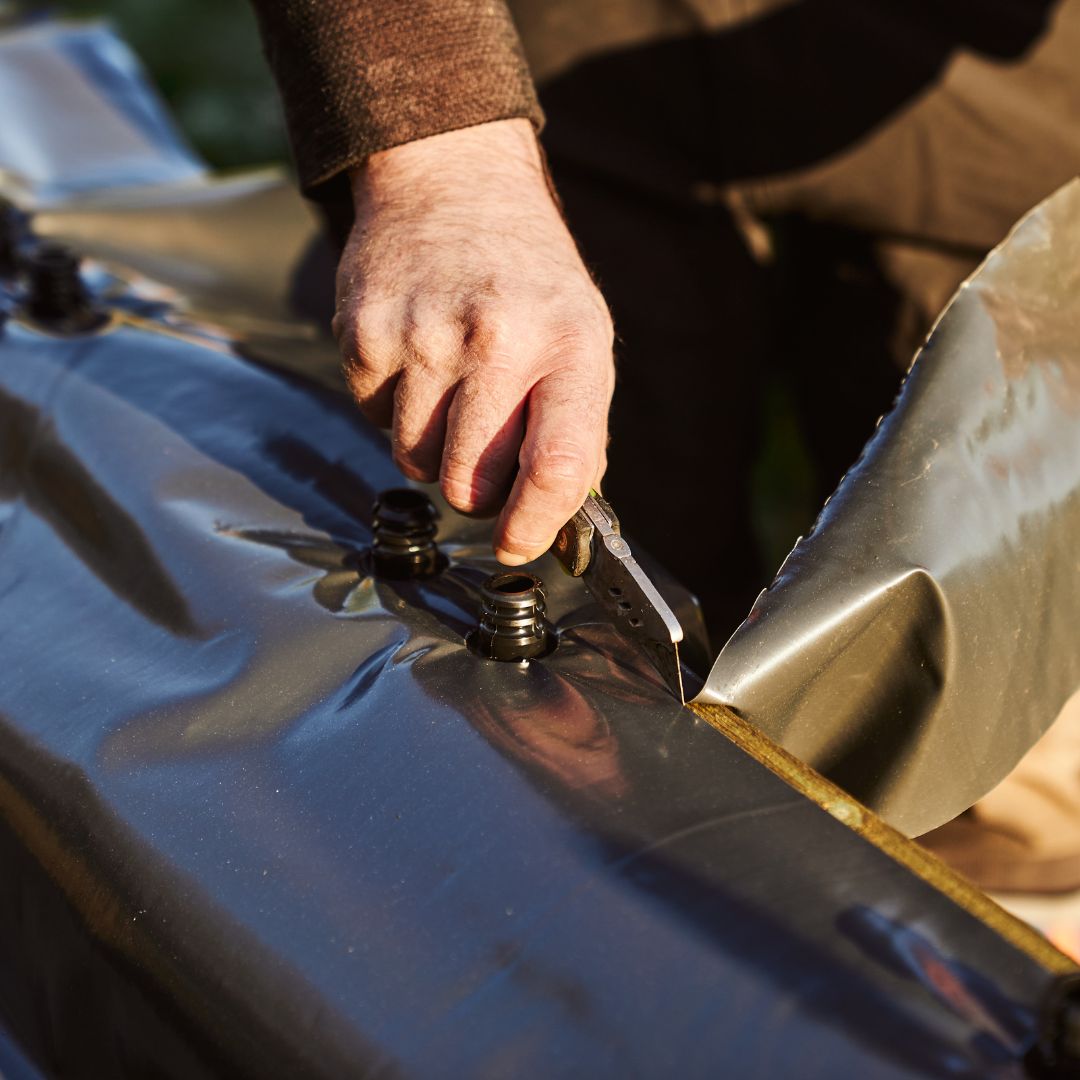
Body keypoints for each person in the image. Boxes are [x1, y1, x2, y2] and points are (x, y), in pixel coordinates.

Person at [248, 2, 1080, 896]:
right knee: (595, 683)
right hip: (544, 79)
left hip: (1007, 103)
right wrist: (438, 155)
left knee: (992, 687)